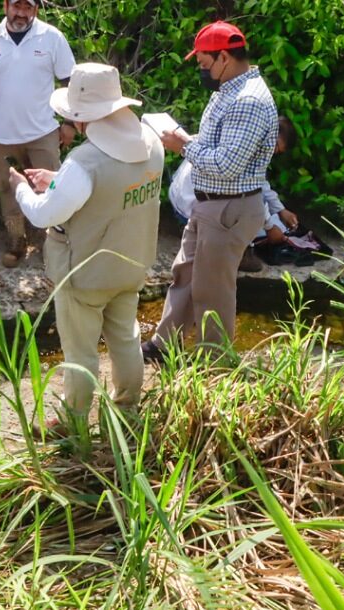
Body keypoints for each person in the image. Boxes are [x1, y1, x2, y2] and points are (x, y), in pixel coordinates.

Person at [9, 62, 163, 420]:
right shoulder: (151, 142)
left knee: (81, 354)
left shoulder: (85, 162)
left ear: (83, 117)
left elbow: (44, 215)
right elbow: (116, 192)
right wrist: (60, 181)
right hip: (131, 264)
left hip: (86, 273)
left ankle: (73, 422)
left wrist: (20, 189)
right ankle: (127, 408)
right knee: (125, 339)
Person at [143, 20, 278, 362]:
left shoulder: (248, 101)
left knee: (213, 292)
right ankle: (163, 345)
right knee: (185, 275)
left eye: (204, 63)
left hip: (229, 208)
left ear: (224, 58)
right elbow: (217, 146)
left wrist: (182, 146)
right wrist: (186, 139)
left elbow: (227, 165)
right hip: (209, 204)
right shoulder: (228, 90)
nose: (202, 71)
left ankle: (214, 364)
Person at [0, 0, 75, 268]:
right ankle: (17, 242)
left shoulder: (52, 38)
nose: (21, 14)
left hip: (44, 132)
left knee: (54, 187)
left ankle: (55, 243)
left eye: (28, 8)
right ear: (5, 6)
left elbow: (71, 83)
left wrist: (70, 123)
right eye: (17, 6)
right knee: (8, 190)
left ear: (36, 10)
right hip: (3, 136)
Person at [168, 116, 299, 272]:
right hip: (189, 208)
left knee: (254, 211)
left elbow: (259, 181)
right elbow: (249, 195)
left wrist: (280, 210)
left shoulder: (242, 136)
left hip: (182, 196)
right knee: (246, 213)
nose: (273, 152)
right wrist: (271, 229)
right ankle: (237, 254)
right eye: (275, 146)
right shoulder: (243, 151)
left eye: (278, 151)